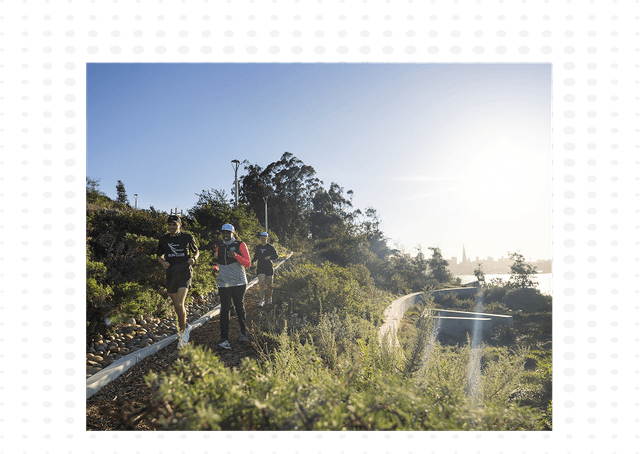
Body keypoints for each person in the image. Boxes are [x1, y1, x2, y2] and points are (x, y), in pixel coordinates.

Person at [157, 214, 199, 348]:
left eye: (174, 224)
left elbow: (196, 251)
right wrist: (163, 262)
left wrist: (194, 259)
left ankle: (183, 334)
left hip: (185, 273)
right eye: (170, 225)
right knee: (176, 306)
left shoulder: (187, 237)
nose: (172, 227)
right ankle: (185, 325)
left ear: (179, 225)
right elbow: (159, 255)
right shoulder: (164, 239)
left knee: (180, 304)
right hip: (171, 273)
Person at [212, 224, 251, 350]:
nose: (225, 235)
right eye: (223, 233)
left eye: (228, 233)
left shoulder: (240, 245)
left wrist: (236, 256)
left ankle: (244, 332)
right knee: (224, 309)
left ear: (233, 233)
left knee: (239, 307)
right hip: (224, 283)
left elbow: (248, 263)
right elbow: (220, 263)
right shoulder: (220, 247)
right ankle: (224, 340)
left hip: (239, 282)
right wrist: (215, 268)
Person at [252, 232, 279, 307]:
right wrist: (252, 262)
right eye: (261, 238)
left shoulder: (270, 247)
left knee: (269, 284)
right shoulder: (258, 247)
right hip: (260, 267)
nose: (263, 239)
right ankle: (262, 300)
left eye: (264, 238)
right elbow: (255, 256)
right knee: (261, 283)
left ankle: (270, 298)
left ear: (267, 239)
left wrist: (270, 257)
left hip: (269, 267)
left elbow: (276, 256)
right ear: (260, 239)